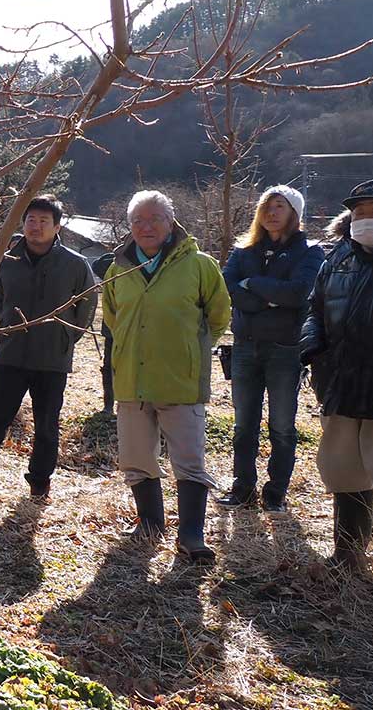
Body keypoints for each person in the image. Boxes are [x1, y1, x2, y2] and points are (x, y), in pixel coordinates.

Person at [102, 190, 230, 564]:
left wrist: (191, 351)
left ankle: (191, 533)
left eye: (155, 217)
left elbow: (219, 315)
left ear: (171, 222)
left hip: (181, 380)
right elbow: (112, 316)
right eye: (138, 220)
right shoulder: (118, 268)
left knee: (189, 460)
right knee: (137, 457)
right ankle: (150, 523)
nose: (147, 226)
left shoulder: (200, 264)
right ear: (129, 227)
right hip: (130, 380)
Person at [0, 195, 97, 502]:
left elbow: (87, 304)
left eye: (44, 221)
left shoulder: (75, 264)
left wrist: (65, 337)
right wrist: (7, 322)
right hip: (11, 353)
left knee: (46, 425)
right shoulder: (6, 260)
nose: (35, 226)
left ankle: (39, 482)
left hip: (52, 358)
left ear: (57, 227)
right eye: (31, 220)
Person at [301, 178, 373, 573]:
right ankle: (348, 554)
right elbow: (314, 310)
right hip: (341, 383)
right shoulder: (336, 260)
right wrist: (312, 346)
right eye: (361, 213)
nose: (368, 219)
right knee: (343, 469)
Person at [219, 186, 323, 513]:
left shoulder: (309, 251)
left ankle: (276, 492)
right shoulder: (243, 249)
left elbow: (298, 293)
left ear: (295, 212)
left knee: (281, 426)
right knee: (242, 426)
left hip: (285, 349)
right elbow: (229, 287)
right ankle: (242, 489)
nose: (272, 213)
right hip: (246, 347)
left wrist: (253, 286)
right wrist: (267, 298)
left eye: (280, 206)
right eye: (267, 206)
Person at [91, 251, 116, 415]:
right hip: (113, 328)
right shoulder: (117, 263)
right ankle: (108, 405)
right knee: (109, 368)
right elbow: (97, 265)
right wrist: (121, 252)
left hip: (142, 329)